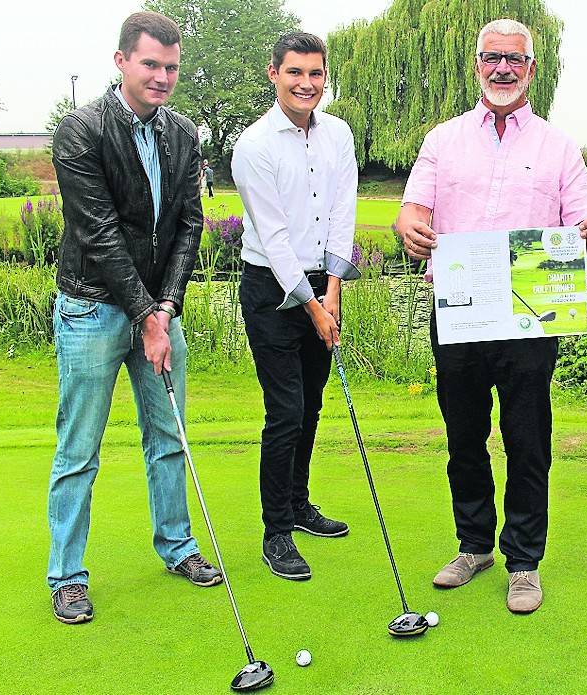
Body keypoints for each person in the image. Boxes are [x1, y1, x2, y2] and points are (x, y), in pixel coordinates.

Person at [397, 18, 587, 614]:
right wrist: (409, 228)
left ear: (531, 70)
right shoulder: (443, 140)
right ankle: (474, 545)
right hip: (460, 312)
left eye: (514, 60)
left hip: (530, 316)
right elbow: (412, 210)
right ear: (476, 64)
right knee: (464, 436)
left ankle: (523, 560)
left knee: (526, 438)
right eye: (491, 57)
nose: (502, 69)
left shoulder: (558, 145)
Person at [47, 10, 221, 625]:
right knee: (80, 448)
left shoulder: (182, 135)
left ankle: (177, 547)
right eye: (151, 64)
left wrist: (164, 308)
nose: (163, 77)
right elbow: (98, 232)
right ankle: (66, 576)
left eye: (171, 67)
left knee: (168, 435)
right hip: (92, 307)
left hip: (157, 309)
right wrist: (147, 313)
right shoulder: (80, 130)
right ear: (121, 62)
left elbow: (189, 225)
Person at [232, 32, 358, 581]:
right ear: (273, 74)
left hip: (321, 284)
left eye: (316, 73)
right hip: (270, 289)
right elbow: (275, 236)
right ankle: (275, 530)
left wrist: (332, 288)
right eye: (295, 73)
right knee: (284, 410)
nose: (307, 84)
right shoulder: (254, 146)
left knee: (311, 405)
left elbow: (342, 211)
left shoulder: (338, 134)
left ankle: (299, 503)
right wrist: (312, 306)